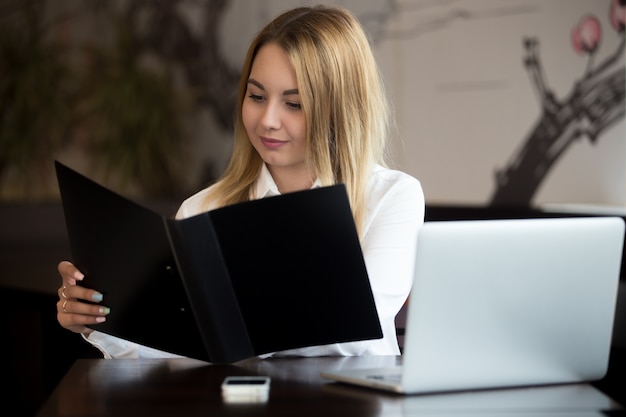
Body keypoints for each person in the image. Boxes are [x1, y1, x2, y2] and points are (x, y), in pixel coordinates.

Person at [56, 4, 425, 359]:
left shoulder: (392, 197)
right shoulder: (204, 210)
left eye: (294, 104)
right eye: (256, 96)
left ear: (340, 107)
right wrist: (99, 319)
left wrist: (232, 332)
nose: (267, 120)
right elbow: (170, 349)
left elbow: (355, 336)